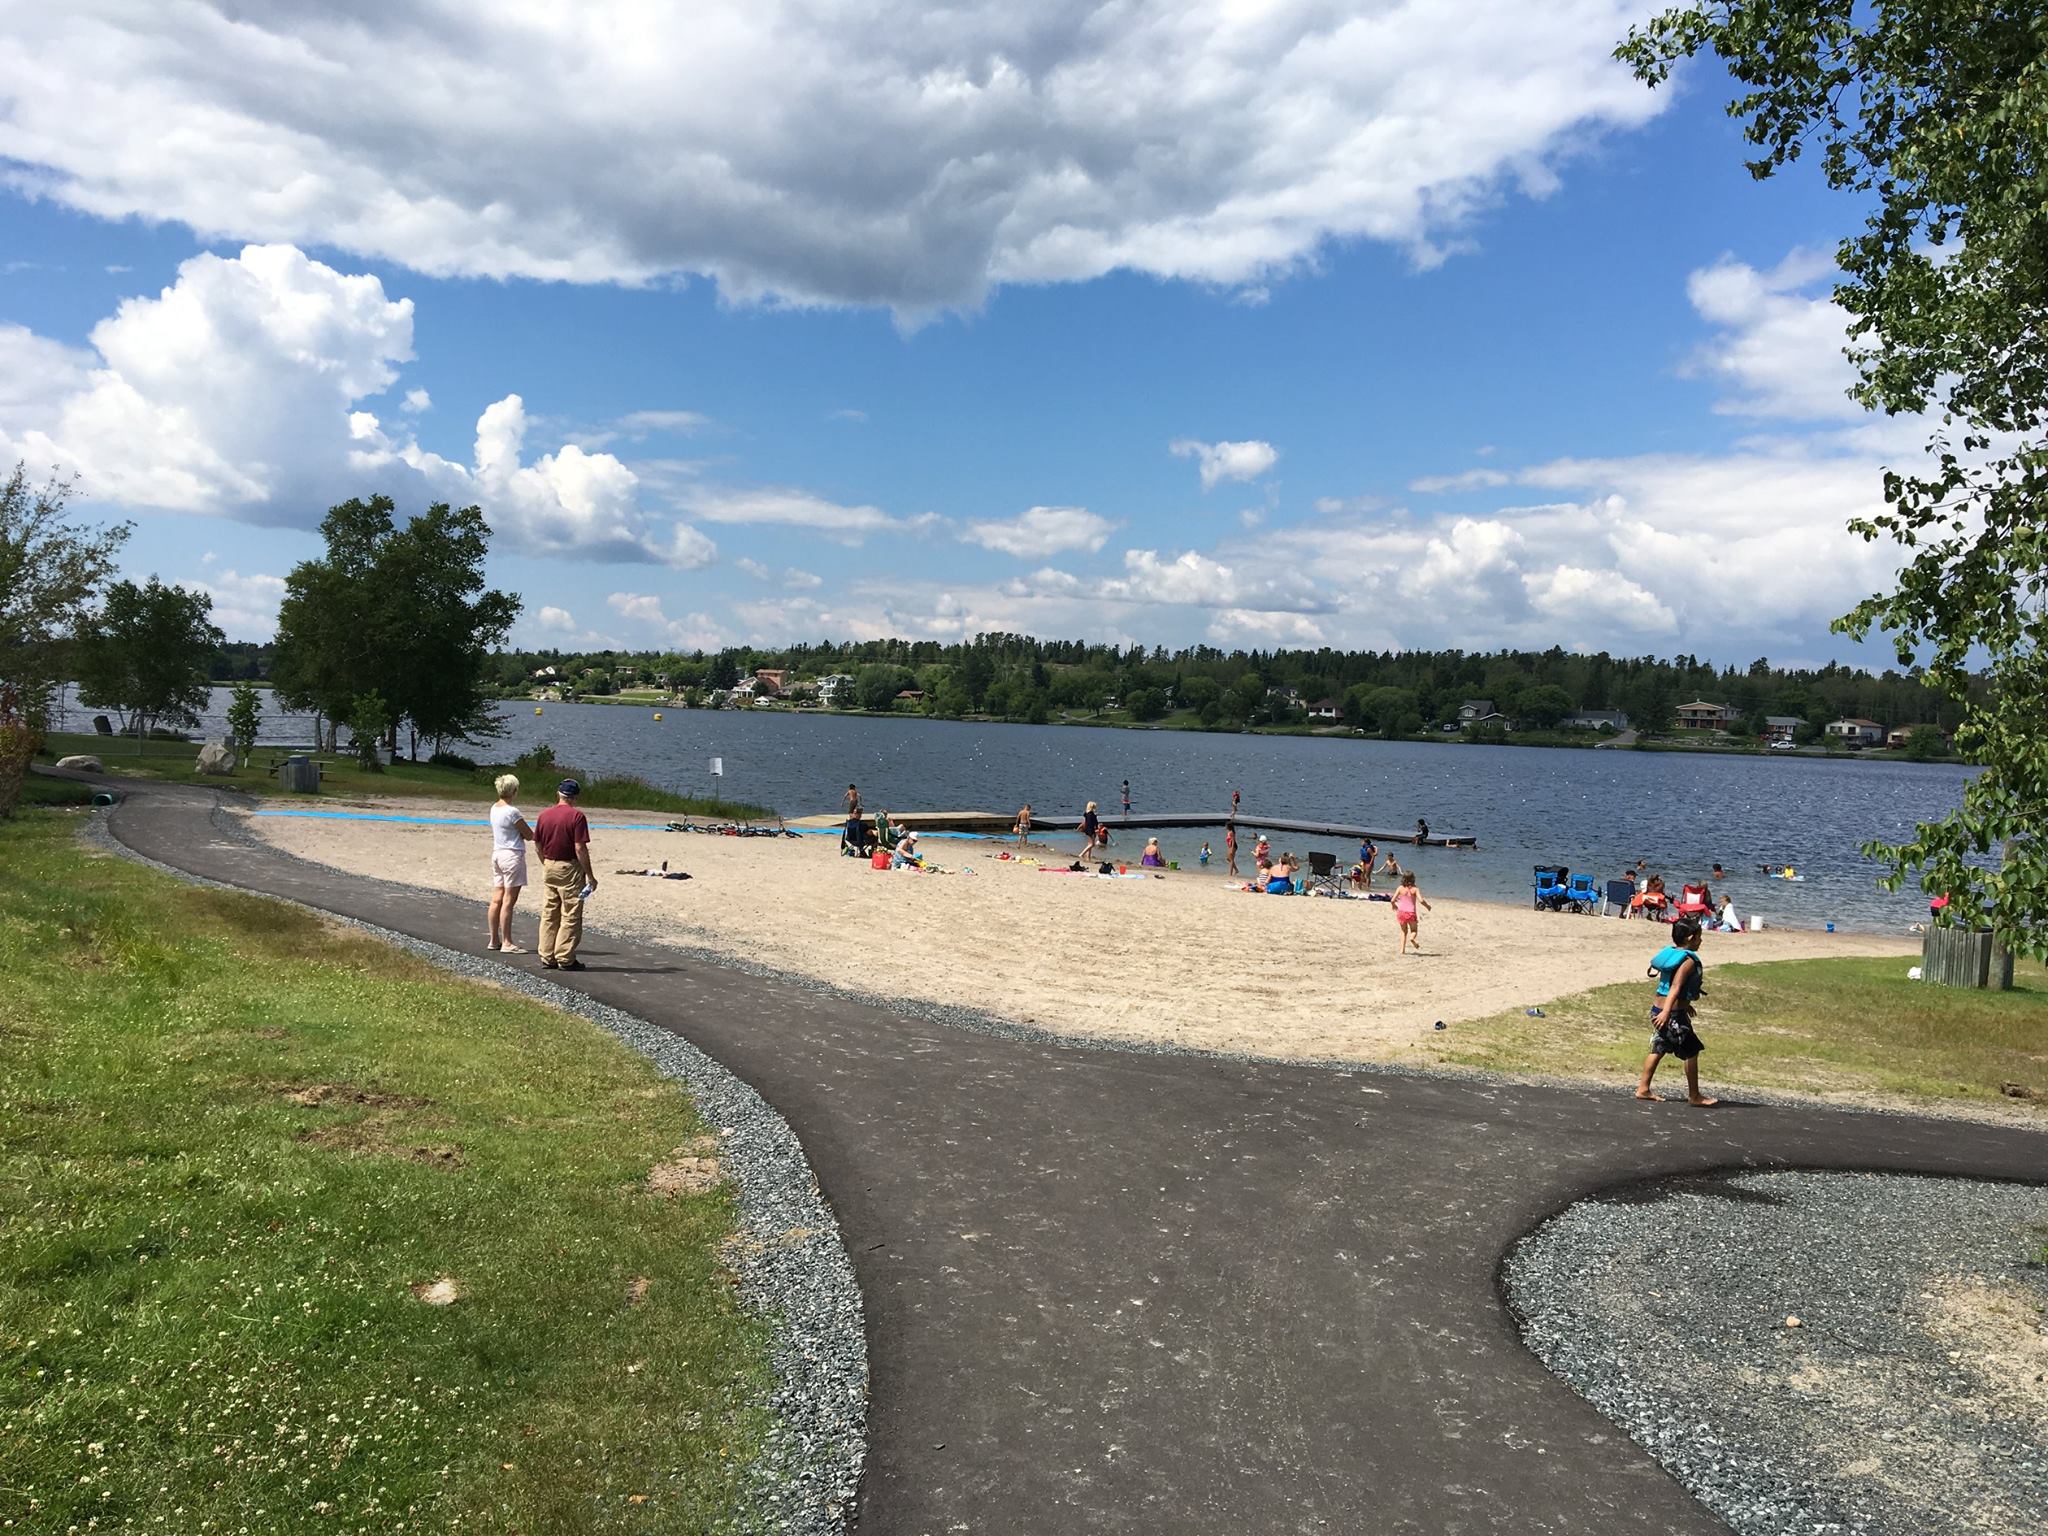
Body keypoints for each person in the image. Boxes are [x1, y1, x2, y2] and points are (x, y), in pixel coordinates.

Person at [1636, 917, 1717, 1105]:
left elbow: (1667, 987)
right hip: (1670, 1014)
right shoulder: (1687, 961)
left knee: (1660, 1046)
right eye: (1699, 937)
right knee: (1692, 1050)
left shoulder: (1673, 954)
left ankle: (1643, 1088)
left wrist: (1685, 1004)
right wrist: (1667, 1012)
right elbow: (1675, 987)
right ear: (1690, 938)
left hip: (1661, 1009)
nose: (1701, 941)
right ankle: (1695, 1096)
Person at [535, 778, 596, 971]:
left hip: (549, 864)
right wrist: (590, 875)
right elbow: (579, 847)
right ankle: (565, 957)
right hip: (569, 867)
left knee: (549, 913)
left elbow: (537, 844)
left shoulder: (544, 815)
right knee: (570, 913)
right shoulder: (577, 817)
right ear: (575, 797)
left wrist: (545, 862)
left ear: (558, 793)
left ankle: (547, 955)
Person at [486, 773, 534, 952]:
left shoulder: (494, 808)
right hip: (512, 855)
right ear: (513, 791)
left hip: (497, 853)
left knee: (497, 898)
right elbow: (529, 834)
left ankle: (494, 939)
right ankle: (507, 941)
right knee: (508, 901)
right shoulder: (512, 811)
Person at [1393, 870, 1431, 954]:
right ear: (1413, 879)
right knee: (1414, 930)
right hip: (1411, 913)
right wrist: (1427, 906)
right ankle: (1412, 938)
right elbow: (1421, 900)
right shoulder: (1415, 889)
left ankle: (1402, 950)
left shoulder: (1400, 888)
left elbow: (1392, 900)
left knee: (1403, 931)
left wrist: (1394, 905)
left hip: (1401, 912)